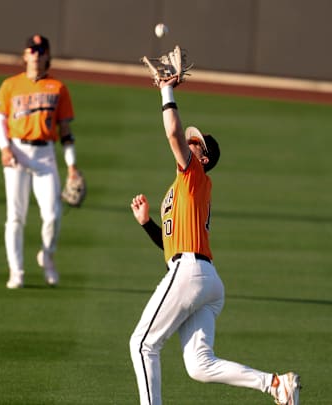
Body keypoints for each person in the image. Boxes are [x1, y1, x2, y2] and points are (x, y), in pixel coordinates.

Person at [128, 76, 300, 405]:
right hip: (205, 280)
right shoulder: (183, 189)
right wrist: (146, 223)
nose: (188, 143)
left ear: (202, 158)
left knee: (142, 344)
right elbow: (170, 247)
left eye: (195, 144)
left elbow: (172, 133)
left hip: (191, 272)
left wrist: (167, 91)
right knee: (199, 365)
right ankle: (277, 385)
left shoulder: (193, 174)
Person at [0, 34, 80, 289]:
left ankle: (47, 257)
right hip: (17, 151)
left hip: (45, 154)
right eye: (32, 49)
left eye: (41, 50)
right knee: (15, 217)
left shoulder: (58, 88)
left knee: (52, 214)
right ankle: (16, 271)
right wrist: (4, 148)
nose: (37, 54)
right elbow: (0, 120)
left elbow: (66, 131)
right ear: (25, 55)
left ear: (48, 56)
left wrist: (72, 165)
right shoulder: (10, 85)